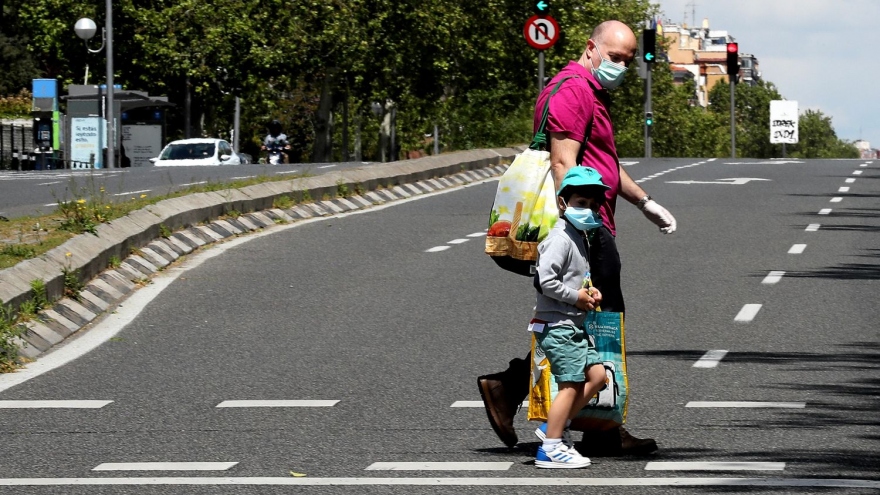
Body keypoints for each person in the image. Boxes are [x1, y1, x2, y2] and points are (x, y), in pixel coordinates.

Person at [477, 19, 677, 455]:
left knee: (588, 323)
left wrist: (645, 203)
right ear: (592, 48)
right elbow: (564, 163)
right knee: (600, 322)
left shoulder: (590, 92)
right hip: (585, 226)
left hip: (595, 219)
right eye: (615, 57)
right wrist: (579, 229)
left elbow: (602, 162)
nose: (621, 66)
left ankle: (515, 391)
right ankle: (595, 425)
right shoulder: (572, 90)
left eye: (627, 60)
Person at [532, 167, 609, 469]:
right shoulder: (560, 238)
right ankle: (550, 447)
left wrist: (589, 291)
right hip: (557, 325)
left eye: (592, 205)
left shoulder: (578, 236)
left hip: (573, 324)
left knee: (597, 376)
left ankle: (553, 425)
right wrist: (575, 297)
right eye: (580, 203)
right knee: (572, 384)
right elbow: (544, 281)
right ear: (562, 204)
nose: (587, 210)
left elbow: (575, 278)